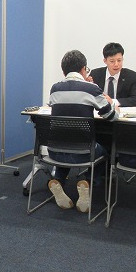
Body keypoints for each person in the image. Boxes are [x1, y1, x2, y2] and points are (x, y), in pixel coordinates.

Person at [48, 49, 118, 212]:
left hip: (55, 151)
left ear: (64, 71)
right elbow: (111, 116)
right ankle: (88, 182)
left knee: (67, 142)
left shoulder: (55, 88)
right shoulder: (91, 88)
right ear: (83, 69)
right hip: (85, 153)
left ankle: (58, 180)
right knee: (104, 152)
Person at [88, 42, 136, 108]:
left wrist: (113, 102)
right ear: (105, 61)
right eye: (112, 61)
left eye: (119, 60)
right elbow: (88, 98)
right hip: (100, 112)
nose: (116, 64)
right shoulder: (95, 74)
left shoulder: (131, 76)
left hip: (122, 113)